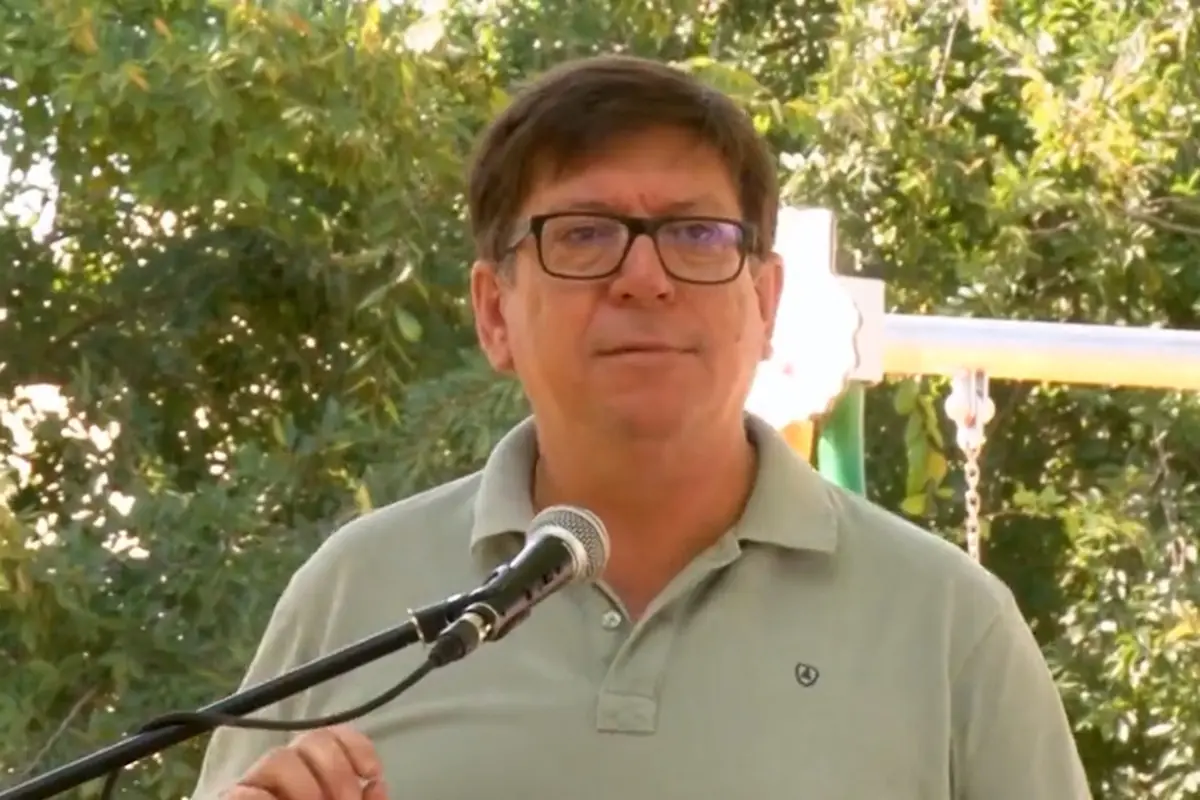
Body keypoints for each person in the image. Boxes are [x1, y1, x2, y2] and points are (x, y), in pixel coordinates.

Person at [191, 55, 1092, 800]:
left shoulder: (945, 624)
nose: (645, 279)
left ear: (765, 300)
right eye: (584, 235)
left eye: (697, 236)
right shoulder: (356, 595)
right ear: (493, 312)